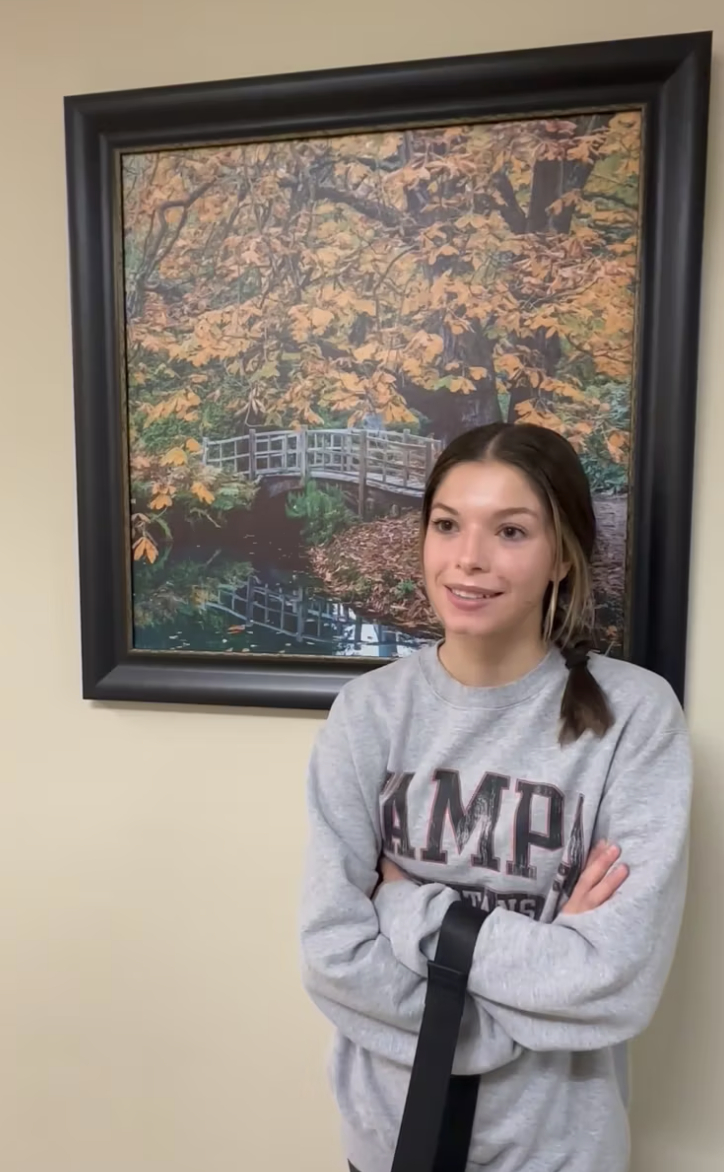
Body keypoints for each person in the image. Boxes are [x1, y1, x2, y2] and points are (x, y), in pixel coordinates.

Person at [299, 422, 691, 1172]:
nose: (468, 558)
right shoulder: (369, 713)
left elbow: (613, 980)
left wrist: (410, 910)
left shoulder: (636, 717)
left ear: (562, 557)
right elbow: (331, 954)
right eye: (447, 525)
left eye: (511, 531)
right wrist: (517, 1007)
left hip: (556, 1152)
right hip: (386, 1147)